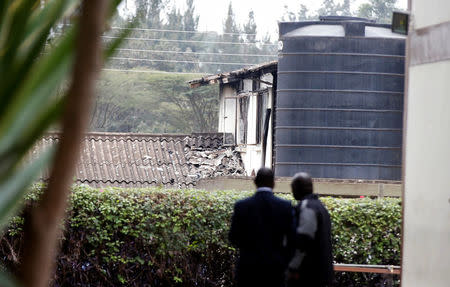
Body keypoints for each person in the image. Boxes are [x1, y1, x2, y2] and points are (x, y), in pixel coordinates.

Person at [229, 167, 294, 287]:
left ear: (255, 182)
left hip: (248, 268)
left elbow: (233, 238)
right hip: (275, 269)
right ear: (273, 183)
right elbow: (292, 239)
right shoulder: (285, 206)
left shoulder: (241, 206)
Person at [286, 172, 334, 287]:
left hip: (308, 274)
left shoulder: (307, 207)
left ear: (298, 189)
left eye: (293, 188)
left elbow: (304, 240)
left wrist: (292, 267)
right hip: (322, 273)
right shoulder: (321, 207)